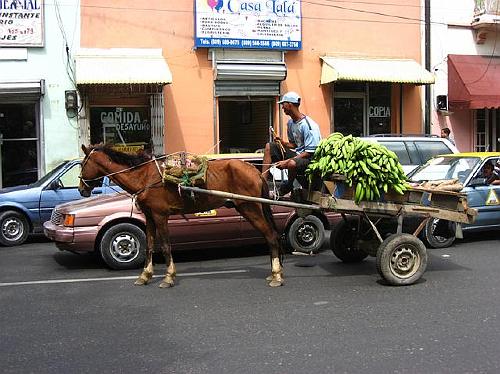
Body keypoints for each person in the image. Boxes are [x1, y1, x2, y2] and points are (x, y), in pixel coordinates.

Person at [262, 91, 322, 197]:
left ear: (289, 104)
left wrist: (287, 161)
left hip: (310, 159)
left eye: (283, 105)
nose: (282, 108)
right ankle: (262, 183)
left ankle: (288, 186)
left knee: (291, 164)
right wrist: (283, 143)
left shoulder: (309, 125)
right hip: (298, 155)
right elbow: (294, 145)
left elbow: (310, 152)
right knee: (269, 146)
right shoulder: (290, 123)